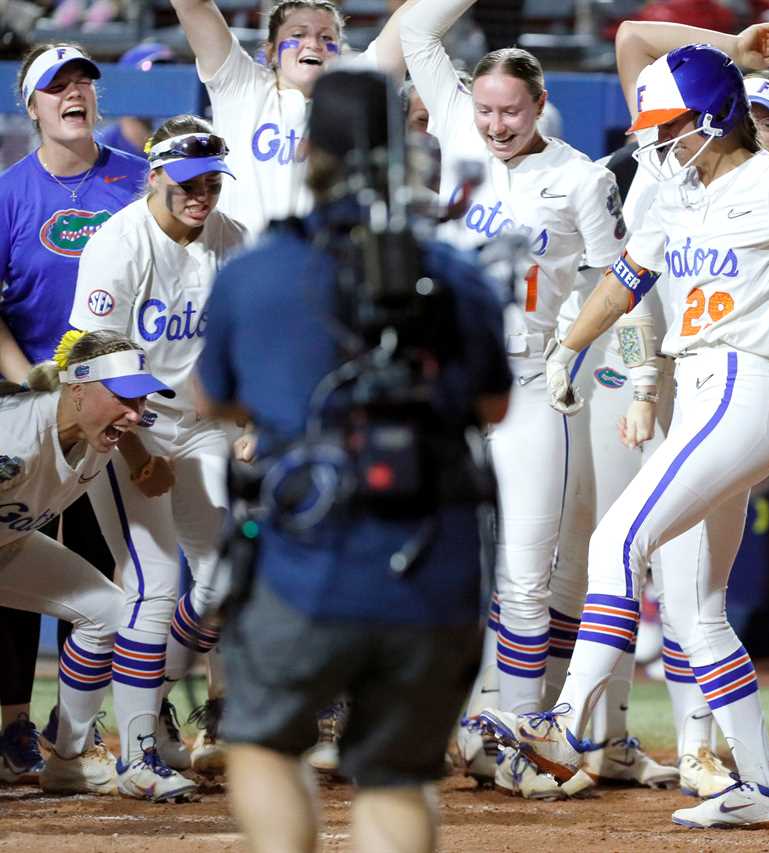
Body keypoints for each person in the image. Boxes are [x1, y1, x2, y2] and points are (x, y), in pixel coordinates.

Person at [479, 43, 769, 829]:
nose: (656, 138)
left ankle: (568, 723)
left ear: (714, 119)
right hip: (706, 396)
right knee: (696, 607)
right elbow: (623, 282)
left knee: (617, 539)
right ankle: (764, 786)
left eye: (670, 123)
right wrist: (567, 345)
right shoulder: (679, 189)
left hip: (741, 388)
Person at [197, 69, 512, 853]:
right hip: (434, 567)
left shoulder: (257, 271)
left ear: (308, 154)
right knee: (396, 778)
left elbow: (211, 400)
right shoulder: (458, 273)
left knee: (264, 743)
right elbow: (495, 406)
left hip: (306, 560)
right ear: (408, 151)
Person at [400, 0, 628, 780]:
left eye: (513, 112)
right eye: (488, 109)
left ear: (540, 106)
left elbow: (614, 277)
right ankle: (427, 712)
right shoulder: (457, 127)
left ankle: (516, 730)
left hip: (532, 382)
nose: (496, 126)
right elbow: (418, 32)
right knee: (428, 558)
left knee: (526, 570)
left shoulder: (579, 178)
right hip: (450, 385)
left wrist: (574, 346)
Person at [69, 115, 247, 787]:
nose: (201, 195)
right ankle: (136, 750)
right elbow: (89, 361)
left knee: (222, 577)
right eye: (186, 183)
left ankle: (108, 724)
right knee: (152, 584)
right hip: (117, 421)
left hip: (200, 425)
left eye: (210, 182)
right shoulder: (120, 243)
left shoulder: (231, 238)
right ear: (154, 177)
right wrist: (137, 449)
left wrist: (246, 416)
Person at [0, 42, 146, 784]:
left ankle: (84, 721)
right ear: (32, 106)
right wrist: (27, 375)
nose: (75, 93)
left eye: (85, 81)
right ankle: (13, 721)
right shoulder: (7, 194)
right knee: (14, 554)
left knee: (102, 560)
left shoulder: (136, 179)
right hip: (29, 409)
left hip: (116, 403)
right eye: (57, 86)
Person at [0, 329, 189, 801]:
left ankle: (66, 760)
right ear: (77, 389)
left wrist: (146, 465)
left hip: (10, 544)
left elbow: (129, 440)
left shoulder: (97, 427)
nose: (136, 413)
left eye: (142, 400)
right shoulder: (13, 442)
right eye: (125, 398)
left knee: (107, 611)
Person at [170, 0, 421, 235]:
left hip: (327, 267)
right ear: (270, 52)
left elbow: (417, 15)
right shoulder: (240, 85)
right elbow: (193, 5)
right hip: (240, 265)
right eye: (298, 35)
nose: (313, 44)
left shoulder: (357, 93)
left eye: (326, 37)